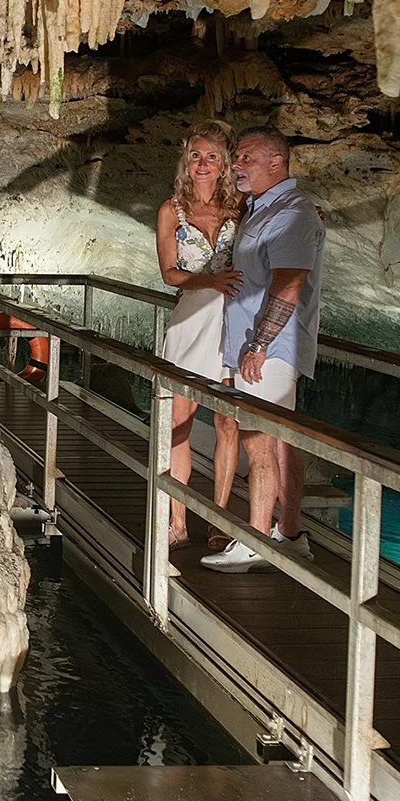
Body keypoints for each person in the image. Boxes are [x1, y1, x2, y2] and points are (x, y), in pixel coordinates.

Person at [201, 126, 326, 574]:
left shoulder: (292, 211)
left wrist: (259, 344)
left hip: (270, 348)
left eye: (245, 158)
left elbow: (289, 282)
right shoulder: (265, 209)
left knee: (258, 443)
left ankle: (254, 540)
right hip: (259, 345)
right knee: (276, 444)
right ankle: (289, 537)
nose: (236, 166)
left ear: (276, 162)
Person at [153, 121, 244, 547]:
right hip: (192, 320)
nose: (203, 164)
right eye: (195, 156)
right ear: (185, 162)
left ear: (225, 163)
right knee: (179, 420)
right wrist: (208, 281)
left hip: (231, 321)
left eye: (211, 156)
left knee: (227, 421)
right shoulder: (172, 210)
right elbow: (170, 273)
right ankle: (178, 520)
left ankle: (219, 518)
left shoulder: (241, 207)